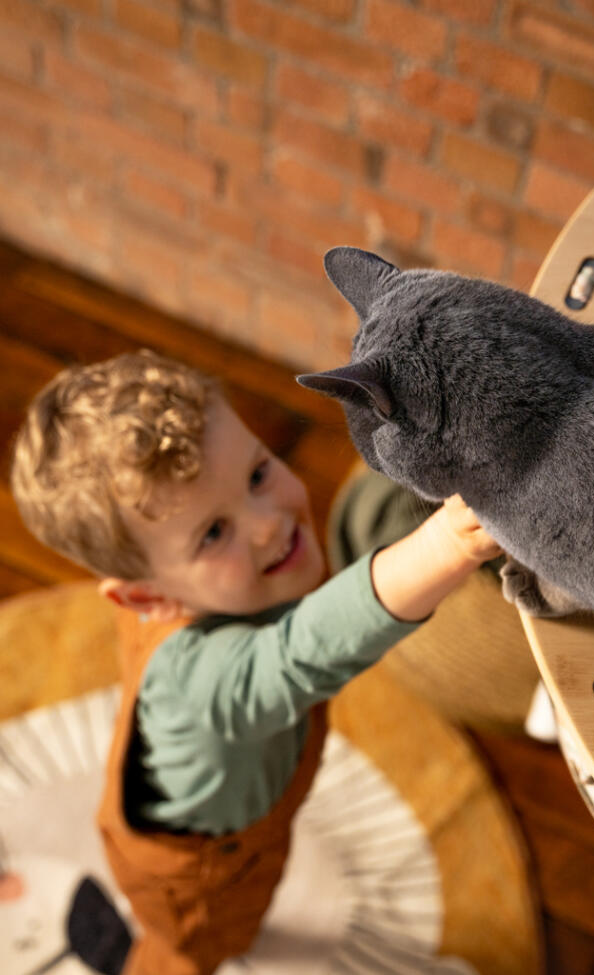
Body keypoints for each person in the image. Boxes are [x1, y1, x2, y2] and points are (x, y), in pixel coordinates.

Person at [10, 349, 501, 975]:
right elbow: (305, 649)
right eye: (213, 533)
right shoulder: (200, 683)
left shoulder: (186, 583)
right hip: (203, 876)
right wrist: (446, 544)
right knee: (195, 949)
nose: (268, 525)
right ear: (148, 598)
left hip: (234, 811)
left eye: (258, 474)